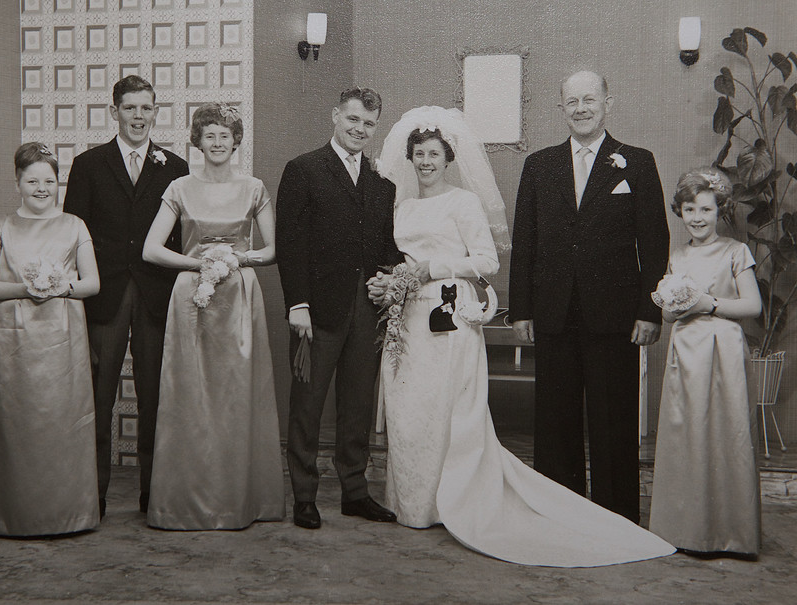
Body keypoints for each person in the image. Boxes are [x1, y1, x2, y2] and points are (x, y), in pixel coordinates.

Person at [368, 105, 674, 567]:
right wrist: (391, 282)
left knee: (453, 411)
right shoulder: (403, 206)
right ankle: (416, 502)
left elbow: (488, 260)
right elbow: (524, 242)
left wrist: (433, 269)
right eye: (418, 154)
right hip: (409, 319)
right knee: (412, 409)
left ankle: (607, 513)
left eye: (433, 153)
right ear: (409, 159)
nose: (425, 161)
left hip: (457, 313)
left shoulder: (465, 202)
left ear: (448, 158)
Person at [508, 70, 670, 523]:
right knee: (555, 423)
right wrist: (520, 309)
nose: (580, 109)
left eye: (589, 100)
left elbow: (655, 242)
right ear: (560, 108)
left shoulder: (635, 161)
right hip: (553, 312)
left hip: (615, 316)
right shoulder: (539, 165)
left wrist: (649, 310)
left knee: (613, 420)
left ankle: (616, 520)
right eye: (571, 102)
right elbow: (526, 242)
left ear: (607, 103)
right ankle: (559, 517)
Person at [142, 103, 284, 530]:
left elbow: (273, 250)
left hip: (239, 296)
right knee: (192, 396)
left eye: (225, 135)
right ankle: (184, 503)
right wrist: (196, 264)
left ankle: (241, 500)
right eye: (210, 135)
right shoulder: (179, 187)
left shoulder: (254, 187)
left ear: (235, 140)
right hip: (192, 298)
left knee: (236, 396)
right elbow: (151, 249)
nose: (218, 142)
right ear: (197, 141)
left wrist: (237, 258)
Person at [275, 87, 402, 529]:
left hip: (366, 310)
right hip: (316, 310)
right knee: (307, 406)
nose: (359, 130)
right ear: (335, 116)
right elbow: (291, 246)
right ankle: (305, 497)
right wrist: (298, 304)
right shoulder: (303, 170)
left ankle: (355, 491)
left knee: (358, 405)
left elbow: (388, 244)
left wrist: (388, 276)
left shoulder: (382, 184)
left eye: (368, 124)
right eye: (352, 120)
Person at [63, 75, 189, 519]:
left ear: (156, 112)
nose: (139, 116)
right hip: (106, 295)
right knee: (97, 396)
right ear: (113, 111)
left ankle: (152, 494)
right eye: (130, 108)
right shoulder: (88, 164)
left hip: (157, 295)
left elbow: (181, 236)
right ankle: (91, 493)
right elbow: (71, 234)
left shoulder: (175, 167)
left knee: (156, 395)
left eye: (147, 108)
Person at [0, 142, 100, 536]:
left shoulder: (75, 225)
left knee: (62, 424)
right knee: (16, 423)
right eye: (32, 181)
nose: (42, 188)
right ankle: (9, 514)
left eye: (49, 180)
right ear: (17, 183)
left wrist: (60, 287)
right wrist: (27, 288)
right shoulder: (1, 227)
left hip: (62, 339)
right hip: (13, 340)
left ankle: (67, 513)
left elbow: (92, 284)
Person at [649, 167, 762, 557]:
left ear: (720, 211)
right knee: (687, 435)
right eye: (690, 209)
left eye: (706, 210)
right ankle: (685, 531)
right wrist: (671, 304)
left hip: (724, 349)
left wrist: (709, 303)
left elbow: (752, 305)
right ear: (679, 211)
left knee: (725, 434)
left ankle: (730, 534)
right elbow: (667, 313)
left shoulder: (735, 251)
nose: (698, 218)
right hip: (686, 352)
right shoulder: (676, 256)